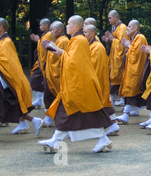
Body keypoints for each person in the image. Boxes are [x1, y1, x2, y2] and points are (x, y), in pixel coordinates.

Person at [38, 15, 113, 153]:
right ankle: (56, 139)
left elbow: (74, 62)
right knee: (73, 115)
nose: (66, 26)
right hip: (76, 83)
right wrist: (54, 49)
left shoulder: (78, 40)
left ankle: (102, 138)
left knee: (71, 113)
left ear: (76, 26)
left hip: (79, 84)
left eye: (68, 24)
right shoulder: (77, 40)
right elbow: (70, 58)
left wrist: (57, 50)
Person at [0, 18, 44, 141]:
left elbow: (6, 61)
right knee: (8, 103)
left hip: (4, 78)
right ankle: (33, 121)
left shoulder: (6, 42)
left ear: (1, 27)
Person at [83, 24, 119, 136]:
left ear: (93, 33)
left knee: (100, 103)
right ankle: (112, 125)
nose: (84, 35)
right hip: (94, 80)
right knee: (103, 103)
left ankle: (107, 127)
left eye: (85, 33)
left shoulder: (97, 47)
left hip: (97, 80)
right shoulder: (90, 45)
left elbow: (95, 67)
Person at [116, 20, 148, 124]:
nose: (127, 29)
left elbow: (137, 54)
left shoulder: (140, 38)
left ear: (135, 28)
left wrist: (128, 46)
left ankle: (126, 114)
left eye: (129, 27)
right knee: (131, 91)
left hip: (136, 70)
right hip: (131, 70)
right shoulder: (134, 38)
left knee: (133, 90)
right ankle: (131, 112)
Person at [41, 21, 69, 127]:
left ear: (59, 30)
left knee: (57, 95)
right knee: (48, 94)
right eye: (50, 29)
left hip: (57, 73)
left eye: (53, 29)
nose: (51, 31)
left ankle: (61, 119)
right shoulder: (57, 40)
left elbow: (60, 56)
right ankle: (49, 118)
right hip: (50, 73)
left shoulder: (64, 41)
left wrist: (49, 47)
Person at [102, 10, 127, 106]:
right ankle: (117, 98)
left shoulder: (122, 28)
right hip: (113, 57)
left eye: (110, 18)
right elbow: (115, 41)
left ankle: (117, 98)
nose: (109, 20)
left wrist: (112, 39)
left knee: (118, 77)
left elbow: (122, 44)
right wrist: (108, 40)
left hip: (119, 57)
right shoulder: (115, 28)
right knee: (112, 76)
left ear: (116, 17)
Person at [30, 18, 53, 108]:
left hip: (46, 62)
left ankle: (42, 101)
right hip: (41, 62)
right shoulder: (45, 34)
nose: (40, 27)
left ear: (46, 25)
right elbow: (42, 45)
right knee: (35, 80)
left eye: (41, 25)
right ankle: (39, 100)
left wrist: (38, 40)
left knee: (38, 80)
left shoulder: (49, 35)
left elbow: (45, 47)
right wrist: (38, 40)